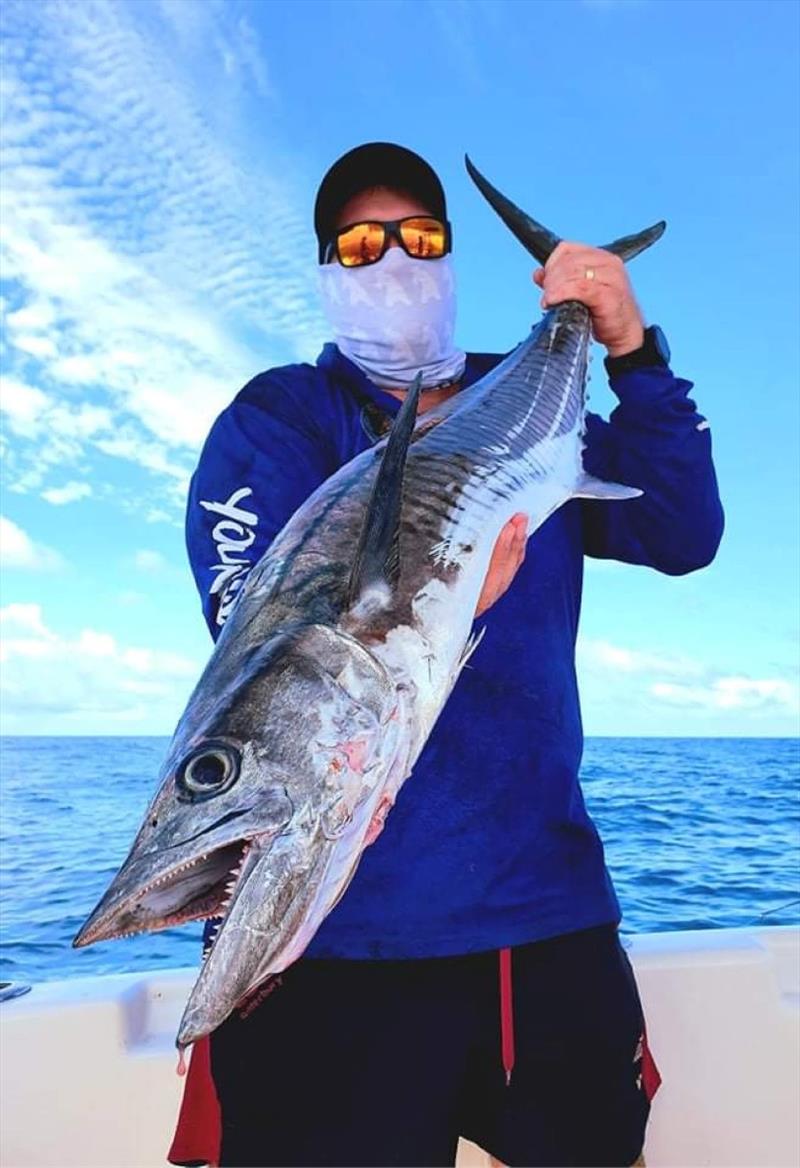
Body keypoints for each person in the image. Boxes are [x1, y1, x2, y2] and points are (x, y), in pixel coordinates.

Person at [169, 142, 723, 1168]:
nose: (391, 260)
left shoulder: (528, 408)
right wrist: (449, 586)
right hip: (333, 942)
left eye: (418, 237)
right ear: (326, 269)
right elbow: (269, 633)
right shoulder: (281, 418)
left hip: (540, 915)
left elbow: (685, 531)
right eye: (359, 242)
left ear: (451, 260)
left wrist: (627, 350)